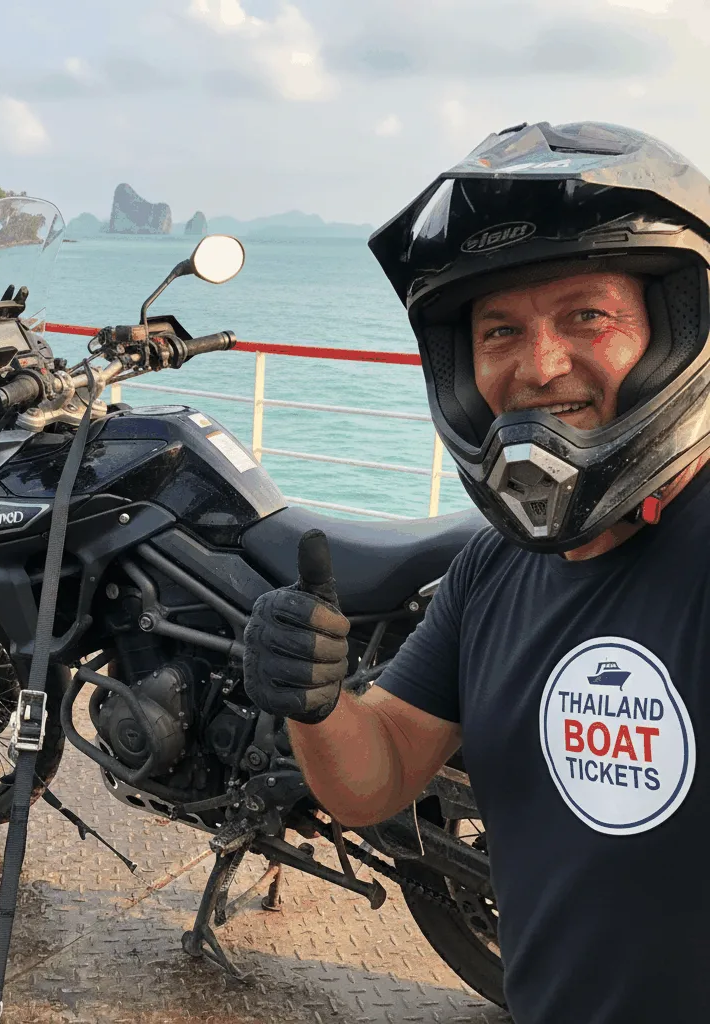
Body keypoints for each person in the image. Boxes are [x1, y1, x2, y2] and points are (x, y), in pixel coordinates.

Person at [243, 121, 710, 1024]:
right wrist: (316, 701)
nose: (538, 366)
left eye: (588, 314)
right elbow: (375, 778)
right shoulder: (494, 568)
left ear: (675, 329)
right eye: (500, 330)